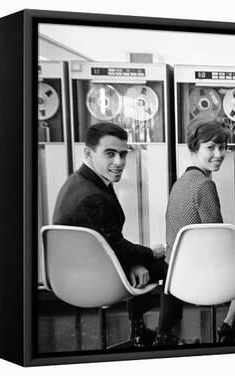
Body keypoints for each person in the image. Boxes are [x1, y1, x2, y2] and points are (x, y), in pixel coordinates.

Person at [52, 122, 170, 348]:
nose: (119, 162)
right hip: (94, 275)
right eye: (110, 154)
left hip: (86, 266)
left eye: (123, 154)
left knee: (143, 261)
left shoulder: (81, 181)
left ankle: (139, 329)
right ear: (88, 153)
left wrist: (135, 260)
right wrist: (148, 255)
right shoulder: (92, 196)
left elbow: (111, 244)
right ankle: (164, 336)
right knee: (169, 264)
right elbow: (116, 248)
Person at [156, 116, 235, 345]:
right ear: (194, 147)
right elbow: (219, 239)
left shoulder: (181, 181)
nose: (219, 154)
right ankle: (228, 325)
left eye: (223, 147)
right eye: (211, 147)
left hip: (176, 271)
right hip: (198, 273)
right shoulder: (204, 184)